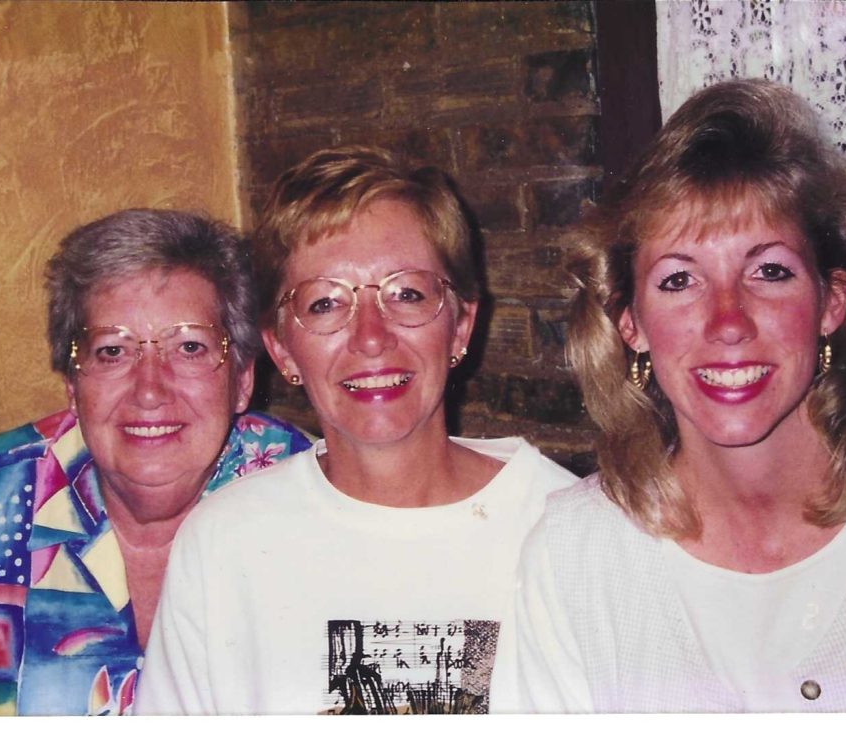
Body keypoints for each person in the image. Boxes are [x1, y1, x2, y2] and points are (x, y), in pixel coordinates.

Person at [507, 79, 846, 712]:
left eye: (769, 271)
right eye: (679, 280)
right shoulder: (573, 556)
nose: (728, 322)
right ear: (630, 323)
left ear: (831, 302)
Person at [135, 146, 577, 715]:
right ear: (281, 348)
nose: (371, 337)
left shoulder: (566, 528)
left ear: (461, 325)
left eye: (406, 294)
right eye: (325, 303)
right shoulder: (224, 544)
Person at [0, 209, 311, 716]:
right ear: (72, 384)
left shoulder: (314, 501)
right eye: (113, 351)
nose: (150, 390)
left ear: (242, 380)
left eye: (189, 347)